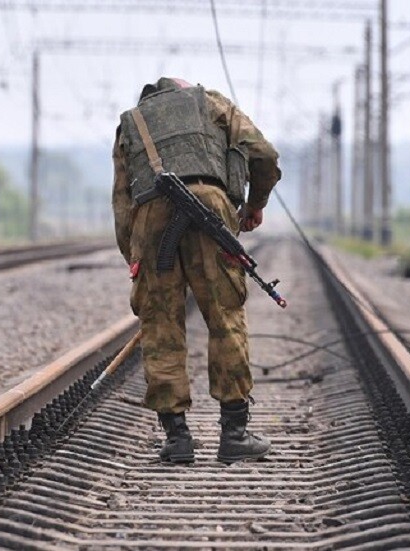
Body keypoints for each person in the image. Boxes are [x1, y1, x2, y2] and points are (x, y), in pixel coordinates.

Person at [111, 77, 282, 464]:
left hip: (150, 215)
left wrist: (136, 262)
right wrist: (255, 204)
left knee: (160, 324)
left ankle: (177, 439)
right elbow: (265, 156)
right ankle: (234, 434)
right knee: (225, 316)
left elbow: (122, 202)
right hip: (210, 207)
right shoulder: (212, 103)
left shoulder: (130, 124)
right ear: (183, 90)